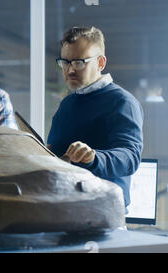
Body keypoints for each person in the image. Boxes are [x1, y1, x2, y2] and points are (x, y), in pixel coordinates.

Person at [47, 26, 143, 209]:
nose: (69, 70)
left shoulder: (122, 102)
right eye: (65, 62)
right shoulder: (67, 104)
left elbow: (130, 158)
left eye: (79, 62)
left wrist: (93, 157)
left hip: (103, 211)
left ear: (100, 63)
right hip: (64, 207)